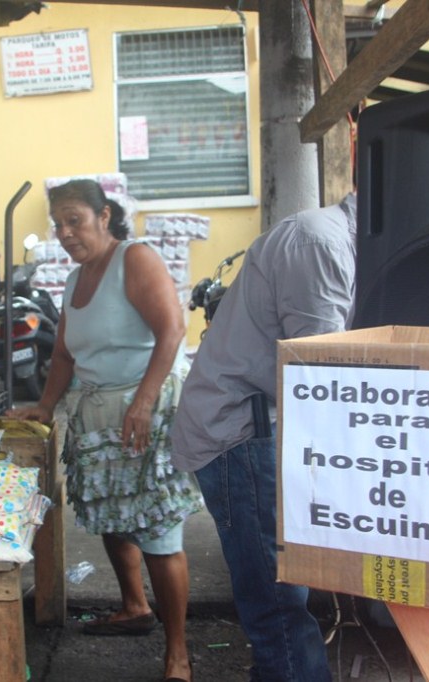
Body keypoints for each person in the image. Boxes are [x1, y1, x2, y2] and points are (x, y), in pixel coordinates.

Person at [9, 178, 203, 682]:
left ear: (104, 217)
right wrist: (45, 406)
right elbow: (66, 354)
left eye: (75, 219)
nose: (66, 231)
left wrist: (142, 402)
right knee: (112, 515)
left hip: (148, 407)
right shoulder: (75, 281)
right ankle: (135, 607)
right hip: (96, 412)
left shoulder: (134, 259)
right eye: (58, 224)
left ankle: (178, 652)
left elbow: (173, 331)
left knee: (158, 527)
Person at [171, 194, 358, 682]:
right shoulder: (321, 243)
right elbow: (322, 377)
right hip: (241, 432)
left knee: (278, 594)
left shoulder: (336, 241)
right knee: (276, 600)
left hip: (260, 423)